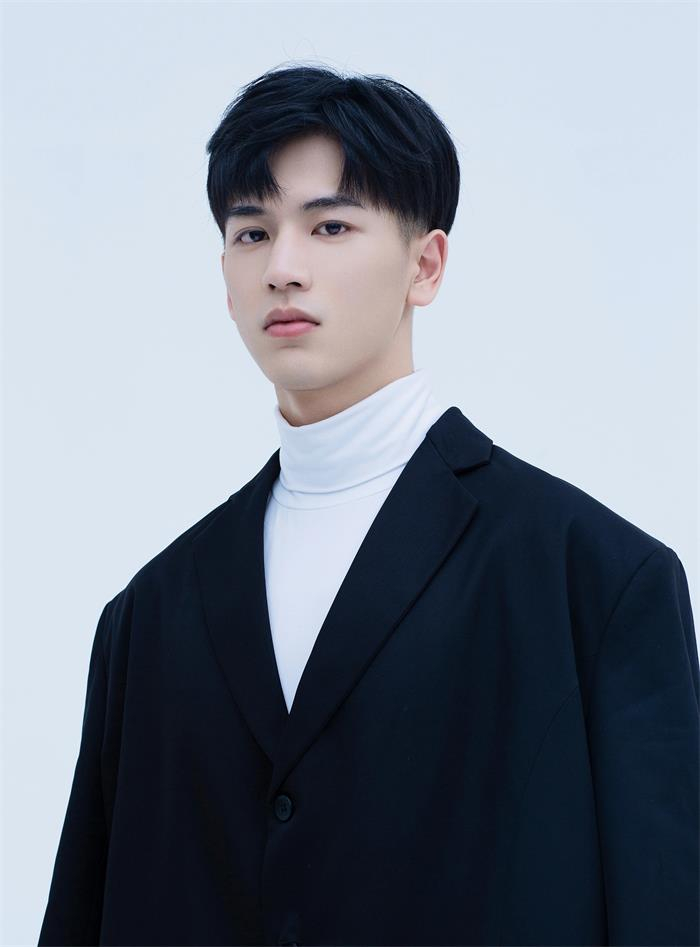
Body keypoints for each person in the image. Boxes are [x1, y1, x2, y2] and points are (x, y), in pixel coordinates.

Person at [38, 63, 699, 947]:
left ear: (425, 265)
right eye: (251, 232)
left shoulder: (595, 582)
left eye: (331, 225)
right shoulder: (147, 618)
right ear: (225, 276)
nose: (283, 267)